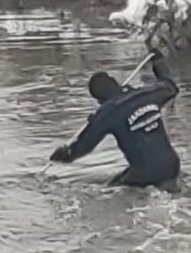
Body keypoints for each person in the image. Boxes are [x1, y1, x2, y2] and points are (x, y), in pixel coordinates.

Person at [49, 52, 180, 188]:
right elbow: (170, 86)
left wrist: (62, 154)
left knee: (111, 188)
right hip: (172, 166)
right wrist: (158, 61)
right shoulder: (148, 94)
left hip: (145, 174)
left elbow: (82, 148)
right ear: (115, 83)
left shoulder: (106, 114)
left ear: (99, 100)